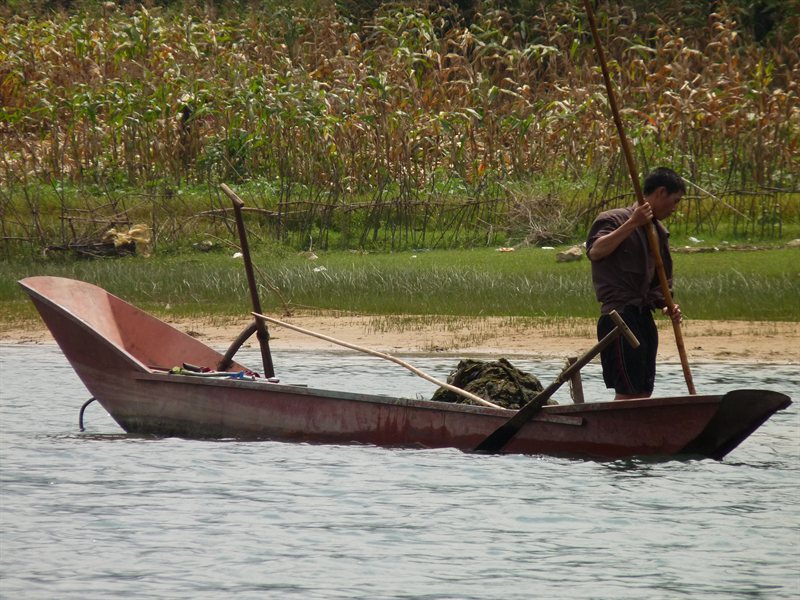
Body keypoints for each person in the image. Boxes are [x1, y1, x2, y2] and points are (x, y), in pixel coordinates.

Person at [586, 167, 685, 400]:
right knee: (628, 390)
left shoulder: (658, 232)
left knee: (643, 390)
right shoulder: (612, 219)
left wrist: (667, 304)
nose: (674, 208)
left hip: (643, 317)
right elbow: (596, 251)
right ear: (660, 192)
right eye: (675, 201)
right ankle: (614, 435)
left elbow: (659, 281)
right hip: (619, 317)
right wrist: (632, 223)